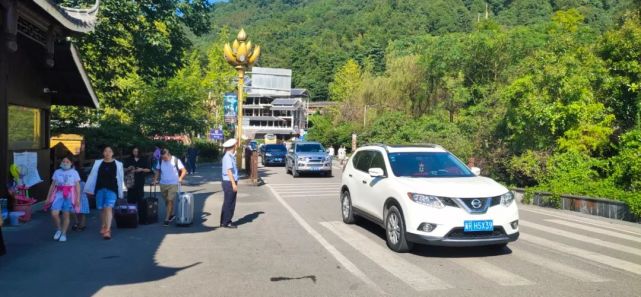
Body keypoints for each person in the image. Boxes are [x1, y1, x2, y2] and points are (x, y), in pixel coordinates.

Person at [85, 146, 125, 240]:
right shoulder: (98, 163)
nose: (107, 153)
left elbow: (120, 177)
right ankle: (103, 225)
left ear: (113, 153)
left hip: (112, 189)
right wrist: (89, 189)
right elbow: (92, 176)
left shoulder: (118, 164)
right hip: (99, 188)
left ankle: (107, 230)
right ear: (103, 153)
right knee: (101, 208)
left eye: (110, 151)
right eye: (105, 151)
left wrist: (122, 190)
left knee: (108, 208)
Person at [44, 156, 81, 242]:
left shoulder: (74, 172)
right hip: (59, 194)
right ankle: (59, 229)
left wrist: (78, 199)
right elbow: (52, 185)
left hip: (69, 195)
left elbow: (77, 186)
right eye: (64, 161)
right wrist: (48, 197)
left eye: (67, 162)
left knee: (66, 214)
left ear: (71, 163)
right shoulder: (57, 172)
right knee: (54, 213)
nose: (65, 163)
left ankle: (64, 233)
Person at [153, 148, 187, 226]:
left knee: (170, 200)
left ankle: (167, 218)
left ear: (168, 155)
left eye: (165, 157)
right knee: (166, 201)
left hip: (173, 183)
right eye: (162, 157)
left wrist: (180, 178)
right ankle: (171, 214)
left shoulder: (175, 160)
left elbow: (184, 170)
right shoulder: (160, 161)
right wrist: (155, 180)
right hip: (163, 183)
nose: (164, 159)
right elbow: (158, 170)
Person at [220, 138, 239, 229]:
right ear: (233, 146)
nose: (236, 146)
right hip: (229, 181)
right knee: (230, 202)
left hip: (228, 181)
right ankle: (227, 222)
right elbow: (229, 171)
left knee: (227, 202)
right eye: (236, 145)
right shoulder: (227, 157)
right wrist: (233, 184)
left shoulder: (230, 155)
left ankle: (224, 221)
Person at [71, 162, 90, 231]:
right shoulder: (83, 183)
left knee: (77, 212)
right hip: (82, 198)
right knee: (80, 212)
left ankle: (79, 223)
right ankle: (81, 224)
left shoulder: (80, 183)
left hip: (79, 198)